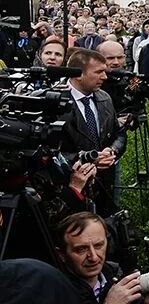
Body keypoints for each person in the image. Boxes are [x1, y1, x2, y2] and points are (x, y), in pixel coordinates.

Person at [60, 48, 126, 215]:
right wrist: (88, 159)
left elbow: (118, 134)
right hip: (70, 186)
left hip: (104, 184)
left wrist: (112, 151)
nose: (104, 76)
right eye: (99, 72)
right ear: (78, 74)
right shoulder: (57, 102)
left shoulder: (104, 98)